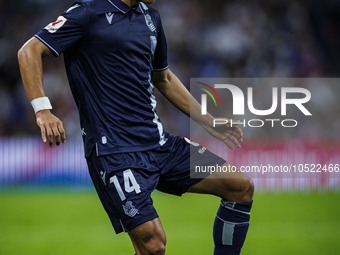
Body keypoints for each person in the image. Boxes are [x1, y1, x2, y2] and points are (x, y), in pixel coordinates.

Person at [18, 0, 254, 254]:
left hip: (160, 145)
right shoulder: (87, 12)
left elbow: (162, 77)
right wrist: (42, 109)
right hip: (115, 153)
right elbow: (29, 51)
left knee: (240, 186)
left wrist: (209, 121)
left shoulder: (151, 18)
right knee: (153, 245)